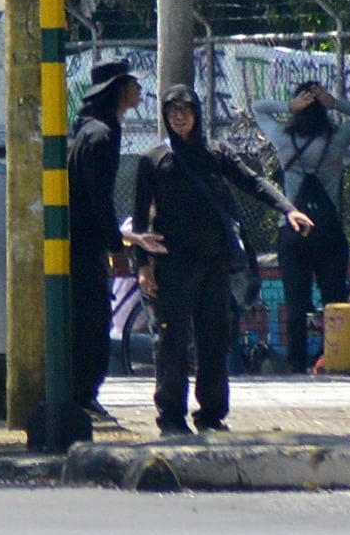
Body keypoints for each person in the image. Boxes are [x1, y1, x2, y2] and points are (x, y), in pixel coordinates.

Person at [125, 84, 314, 436]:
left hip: (213, 264)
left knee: (214, 341)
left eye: (185, 109)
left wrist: (288, 210)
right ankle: (171, 418)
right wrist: (143, 266)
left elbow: (253, 182)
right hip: (171, 265)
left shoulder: (215, 153)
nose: (179, 116)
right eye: (172, 111)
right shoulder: (153, 160)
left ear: (197, 113)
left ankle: (211, 416)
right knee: (171, 343)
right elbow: (139, 219)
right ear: (165, 117)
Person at [253, 80, 350, 370]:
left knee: (295, 303)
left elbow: (258, 108)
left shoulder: (282, 139)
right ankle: (337, 359)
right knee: (334, 301)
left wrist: (287, 107)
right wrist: (335, 103)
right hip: (329, 232)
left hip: (293, 230)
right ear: (323, 111)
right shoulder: (336, 141)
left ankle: (296, 364)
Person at [68, 60, 142, 422]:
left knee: (89, 319)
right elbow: (99, 198)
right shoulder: (101, 136)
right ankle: (82, 395)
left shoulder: (94, 130)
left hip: (81, 242)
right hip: (84, 246)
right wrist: (116, 247)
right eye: (133, 84)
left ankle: (82, 394)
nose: (139, 91)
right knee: (93, 322)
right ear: (119, 89)